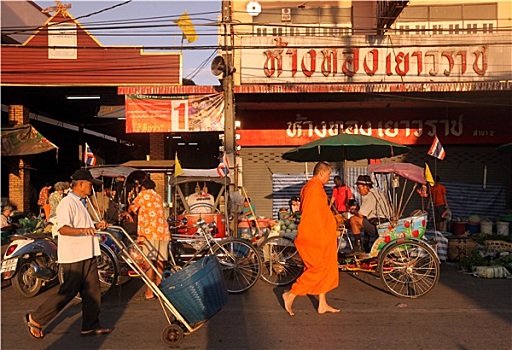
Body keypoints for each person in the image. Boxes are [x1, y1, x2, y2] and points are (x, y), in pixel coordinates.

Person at [25, 169, 110, 339]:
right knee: (68, 291)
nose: (91, 188)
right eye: (90, 185)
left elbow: (81, 222)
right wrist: (84, 229)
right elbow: (63, 228)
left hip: (88, 252)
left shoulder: (82, 202)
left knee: (93, 290)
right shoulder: (67, 203)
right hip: (74, 254)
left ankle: (90, 325)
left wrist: (96, 225)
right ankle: (36, 318)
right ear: (80, 184)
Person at [282, 162, 340, 316]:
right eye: (328, 175)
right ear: (321, 173)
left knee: (325, 267)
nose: (329, 178)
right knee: (318, 268)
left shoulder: (313, 187)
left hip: (324, 234)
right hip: (316, 235)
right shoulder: (313, 189)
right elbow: (312, 216)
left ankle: (322, 303)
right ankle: (292, 293)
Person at [128, 178, 169, 300]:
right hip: (163, 232)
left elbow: (132, 208)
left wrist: (129, 211)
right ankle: (160, 290)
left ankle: (149, 292)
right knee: (160, 261)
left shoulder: (143, 194)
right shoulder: (158, 196)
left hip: (149, 232)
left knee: (149, 262)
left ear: (143, 187)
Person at [349, 175, 392, 253]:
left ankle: (358, 247)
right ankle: (366, 245)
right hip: (384, 223)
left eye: (360, 188)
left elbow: (360, 215)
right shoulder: (378, 193)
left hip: (378, 225)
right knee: (363, 221)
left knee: (353, 220)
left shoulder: (370, 195)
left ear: (366, 186)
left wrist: (353, 211)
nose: (359, 190)